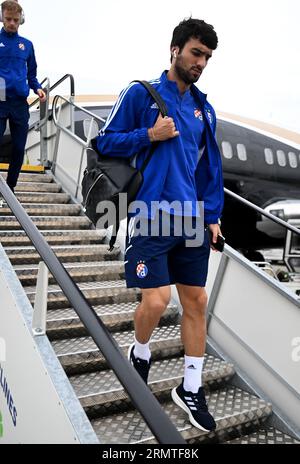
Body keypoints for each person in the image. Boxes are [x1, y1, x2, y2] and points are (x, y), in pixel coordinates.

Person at [96, 18, 224, 432]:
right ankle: (140, 351)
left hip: (190, 220)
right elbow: (104, 141)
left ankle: (190, 388)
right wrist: (149, 135)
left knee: (196, 302)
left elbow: (209, 169)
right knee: (155, 302)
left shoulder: (205, 110)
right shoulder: (141, 93)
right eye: (195, 53)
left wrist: (213, 215)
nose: (200, 62)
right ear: (175, 50)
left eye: (206, 56)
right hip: (150, 214)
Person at [0, 0, 46, 193]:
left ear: (21, 21)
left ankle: (10, 188)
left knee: (19, 147)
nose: (12, 23)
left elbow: (32, 74)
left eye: (15, 20)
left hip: (20, 102)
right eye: (8, 19)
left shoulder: (27, 45)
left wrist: (38, 88)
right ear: (2, 17)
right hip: (0, 99)